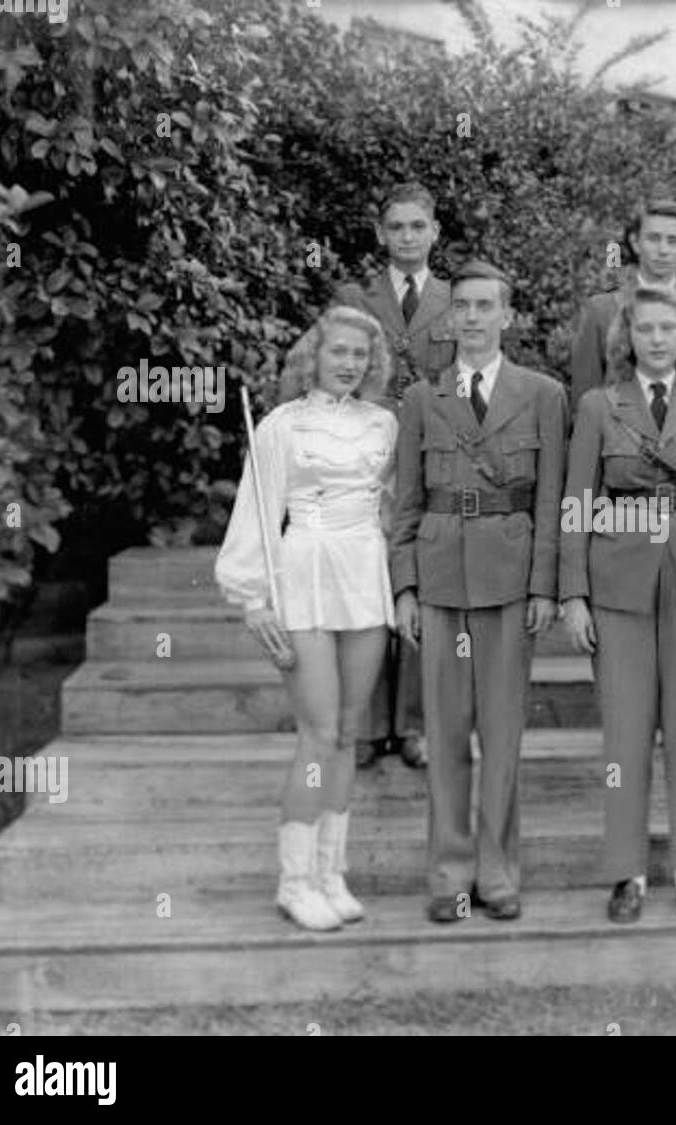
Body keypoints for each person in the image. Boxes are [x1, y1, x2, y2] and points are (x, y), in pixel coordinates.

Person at [560, 287, 676, 924]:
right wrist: (573, 594)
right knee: (625, 731)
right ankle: (629, 874)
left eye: (668, 328)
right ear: (626, 338)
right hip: (618, 578)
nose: (657, 339)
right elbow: (577, 503)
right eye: (644, 329)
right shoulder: (597, 406)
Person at [391, 260, 568, 924]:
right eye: (460, 306)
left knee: (502, 734)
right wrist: (404, 586)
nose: (470, 317)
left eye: (484, 305)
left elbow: (551, 501)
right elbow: (405, 503)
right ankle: (449, 872)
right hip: (439, 581)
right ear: (449, 316)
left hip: (509, 579)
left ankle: (497, 870)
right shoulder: (420, 399)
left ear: (507, 315)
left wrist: (546, 584)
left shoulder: (543, 393)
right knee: (445, 731)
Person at [215, 305, 397, 931]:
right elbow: (257, 514)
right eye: (338, 351)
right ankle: (294, 882)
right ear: (313, 357)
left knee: (350, 731)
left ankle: (330, 873)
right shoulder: (280, 427)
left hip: (364, 574)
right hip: (305, 574)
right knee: (317, 733)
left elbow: (395, 509)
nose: (349, 363)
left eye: (360, 355)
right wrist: (253, 599)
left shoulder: (384, 425)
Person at [334, 182, 456, 771]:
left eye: (418, 226)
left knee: (422, 583)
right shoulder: (355, 296)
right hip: (366, 457)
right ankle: (364, 723)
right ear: (380, 234)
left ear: (435, 233)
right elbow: (337, 370)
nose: (408, 237)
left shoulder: (458, 300)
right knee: (365, 584)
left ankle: (414, 723)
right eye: (397, 227)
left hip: (431, 459)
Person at [568, 199, 676, 408]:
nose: (663, 250)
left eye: (673, 241)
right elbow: (583, 400)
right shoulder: (600, 310)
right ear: (635, 242)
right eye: (653, 239)